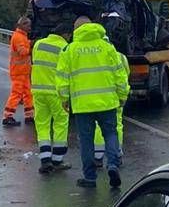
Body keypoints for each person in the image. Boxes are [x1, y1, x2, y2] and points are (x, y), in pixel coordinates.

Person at [57, 17, 127, 188]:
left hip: (82, 105)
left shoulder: (69, 49)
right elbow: (120, 74)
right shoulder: (107, 47)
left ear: (76, 30)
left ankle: (90, 177)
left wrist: (64, 99)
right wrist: (122, 95)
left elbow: (62, 77)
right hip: (107, 102)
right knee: (110, 134)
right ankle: (113, 165)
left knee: (86, 141)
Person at [31, 28, 71, 174]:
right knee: (60, 123)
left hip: (38, 91)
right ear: (65, 34)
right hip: (56, 93)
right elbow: (66, 71)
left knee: (42, 124)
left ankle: (45, 159)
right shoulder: (65, 47)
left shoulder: (39, 44)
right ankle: (57, 160)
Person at [93, 49, 127, 166]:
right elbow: (124, 76)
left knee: (98, 124)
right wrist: (123, 95)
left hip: (99, 96)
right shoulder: (120, 56)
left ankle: (98, 157)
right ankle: (117, 155)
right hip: (115, 97)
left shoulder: (95, 56)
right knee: (116, 125)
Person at [2, 16, 34, 126]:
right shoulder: (18, 37)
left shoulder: (22, 36)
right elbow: (23, 51)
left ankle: (29, 115)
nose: (30, 27)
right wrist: (32, 47)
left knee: (28, 94)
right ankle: (7, 117)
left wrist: (30, 43)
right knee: (16, 94)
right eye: (28, 25)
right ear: (22, 25)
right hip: (18, 72)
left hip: (23, 71)